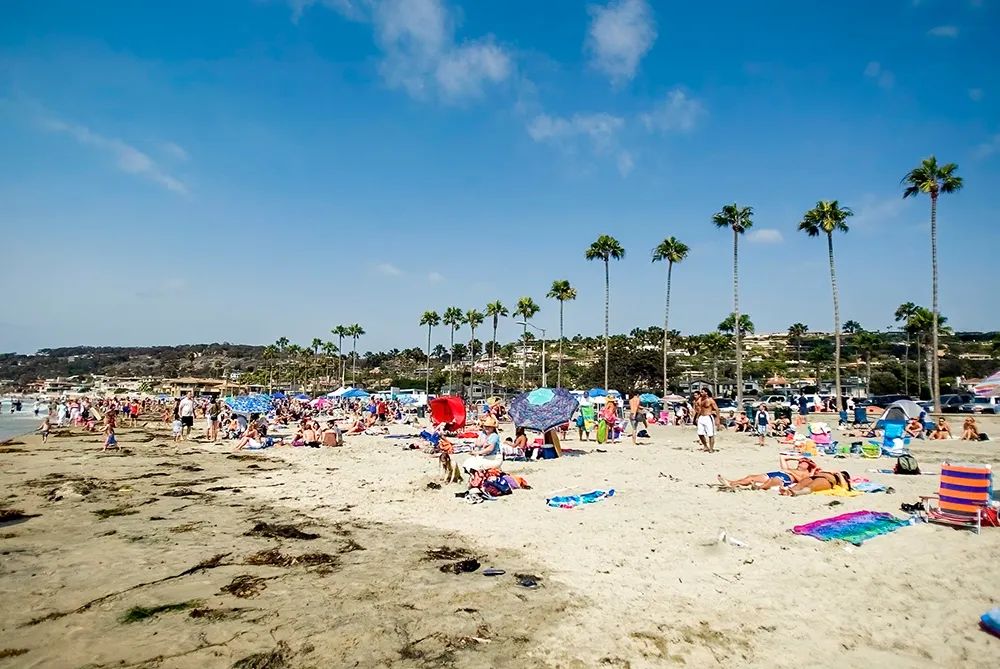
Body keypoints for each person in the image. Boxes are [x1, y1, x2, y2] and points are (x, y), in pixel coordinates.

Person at [718, 456, 819, 491]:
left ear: (808, 465)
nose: (800, 462)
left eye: (803, 462)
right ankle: (731, 483)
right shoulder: (792, 469)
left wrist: (813, 468)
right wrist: (796, 458)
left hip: (785, 478)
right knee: (751, 477)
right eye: (800, 461)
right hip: (776, 473)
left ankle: (759, 488)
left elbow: (803, 481)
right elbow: (782, 457)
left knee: (772, 481)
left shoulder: (806, 473)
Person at [779, 469, 853, 496]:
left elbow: (844, 487)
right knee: (800, 484)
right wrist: (816, 471)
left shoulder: (841, 478)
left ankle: (797, 493)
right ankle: (788, 491)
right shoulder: (830, 473)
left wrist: (839, 474)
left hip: (828, 479)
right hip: (816, 476)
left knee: (812, 486)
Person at [694, 388, 720, 453]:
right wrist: (697, 417)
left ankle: (711, 448)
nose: (701, 393)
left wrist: (718, 419)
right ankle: (705, 446)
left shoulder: (710, 400)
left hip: (708, 417)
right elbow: (699, 409)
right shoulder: (700, 400)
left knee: (710, 434)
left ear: (706, 393)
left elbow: (717, 409)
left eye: (702, 392)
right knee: (700, 433)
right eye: (701, 392)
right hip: (701, 417)